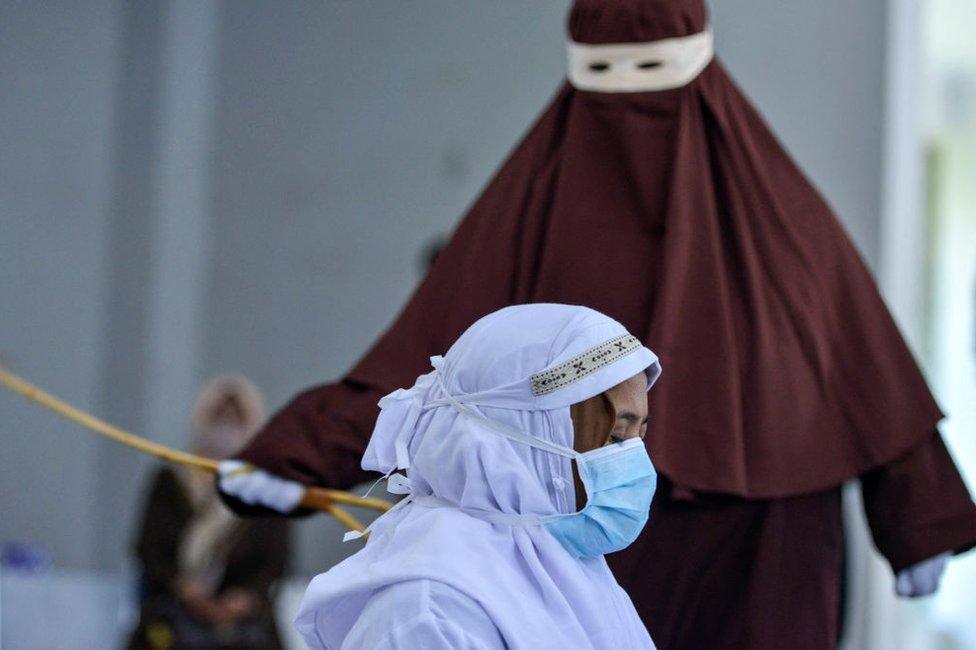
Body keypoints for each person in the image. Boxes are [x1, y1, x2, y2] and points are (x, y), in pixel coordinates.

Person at [219, 1, 976, 647]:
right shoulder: (532, 211)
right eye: (607, 77)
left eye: (652, 73)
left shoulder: (779, 225)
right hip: (584, 527)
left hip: (762, 546)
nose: (632, 115)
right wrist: (304, 451)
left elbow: (861, 362)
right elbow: (440, 361)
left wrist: (920, 512)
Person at [293, 304, 661, 649]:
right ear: (515, 433)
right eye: (613, 436)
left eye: (639, 435)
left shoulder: (565, 569)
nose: (633, 460)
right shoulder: (431, 612)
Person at [128, 377, 290, 650]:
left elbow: (277, 559)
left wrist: (242, 600)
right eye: (219, 418)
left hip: (245, 629)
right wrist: (185, 590)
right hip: (173, 619)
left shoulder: (267, 488)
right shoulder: (172, 479)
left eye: (236, 420)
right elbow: (148, 548)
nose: (226, 429)